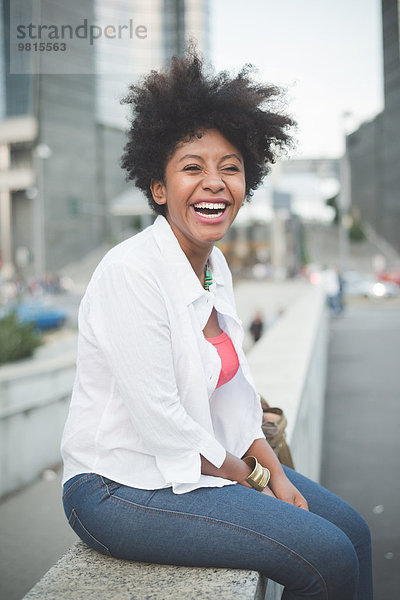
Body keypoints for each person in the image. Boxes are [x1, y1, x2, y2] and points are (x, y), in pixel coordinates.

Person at [61, 48, 372, 599]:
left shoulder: (213, 265)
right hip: (118, 486)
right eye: (192, 167)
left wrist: (274, 470)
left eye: (231, 168)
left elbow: (234, 396)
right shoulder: (131, 271)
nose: (215, 182)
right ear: (158, 189)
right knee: (325, 555)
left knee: (354, 533)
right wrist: (253, 481)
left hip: (198, 467)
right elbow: (163, 424)